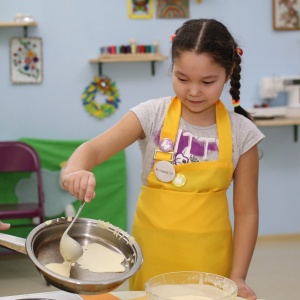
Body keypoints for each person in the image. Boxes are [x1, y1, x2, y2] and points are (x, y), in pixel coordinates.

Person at [61, 18, 264, 300]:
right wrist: (74, 170)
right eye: (182, 79)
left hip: (210, 263)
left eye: (207, 82)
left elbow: (247, 212)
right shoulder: (151, 115)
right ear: (172, 69)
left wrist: (238, 276)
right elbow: (93, 151)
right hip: (152, 259)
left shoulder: (243, 133)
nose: (193, 91)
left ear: (229, 73)